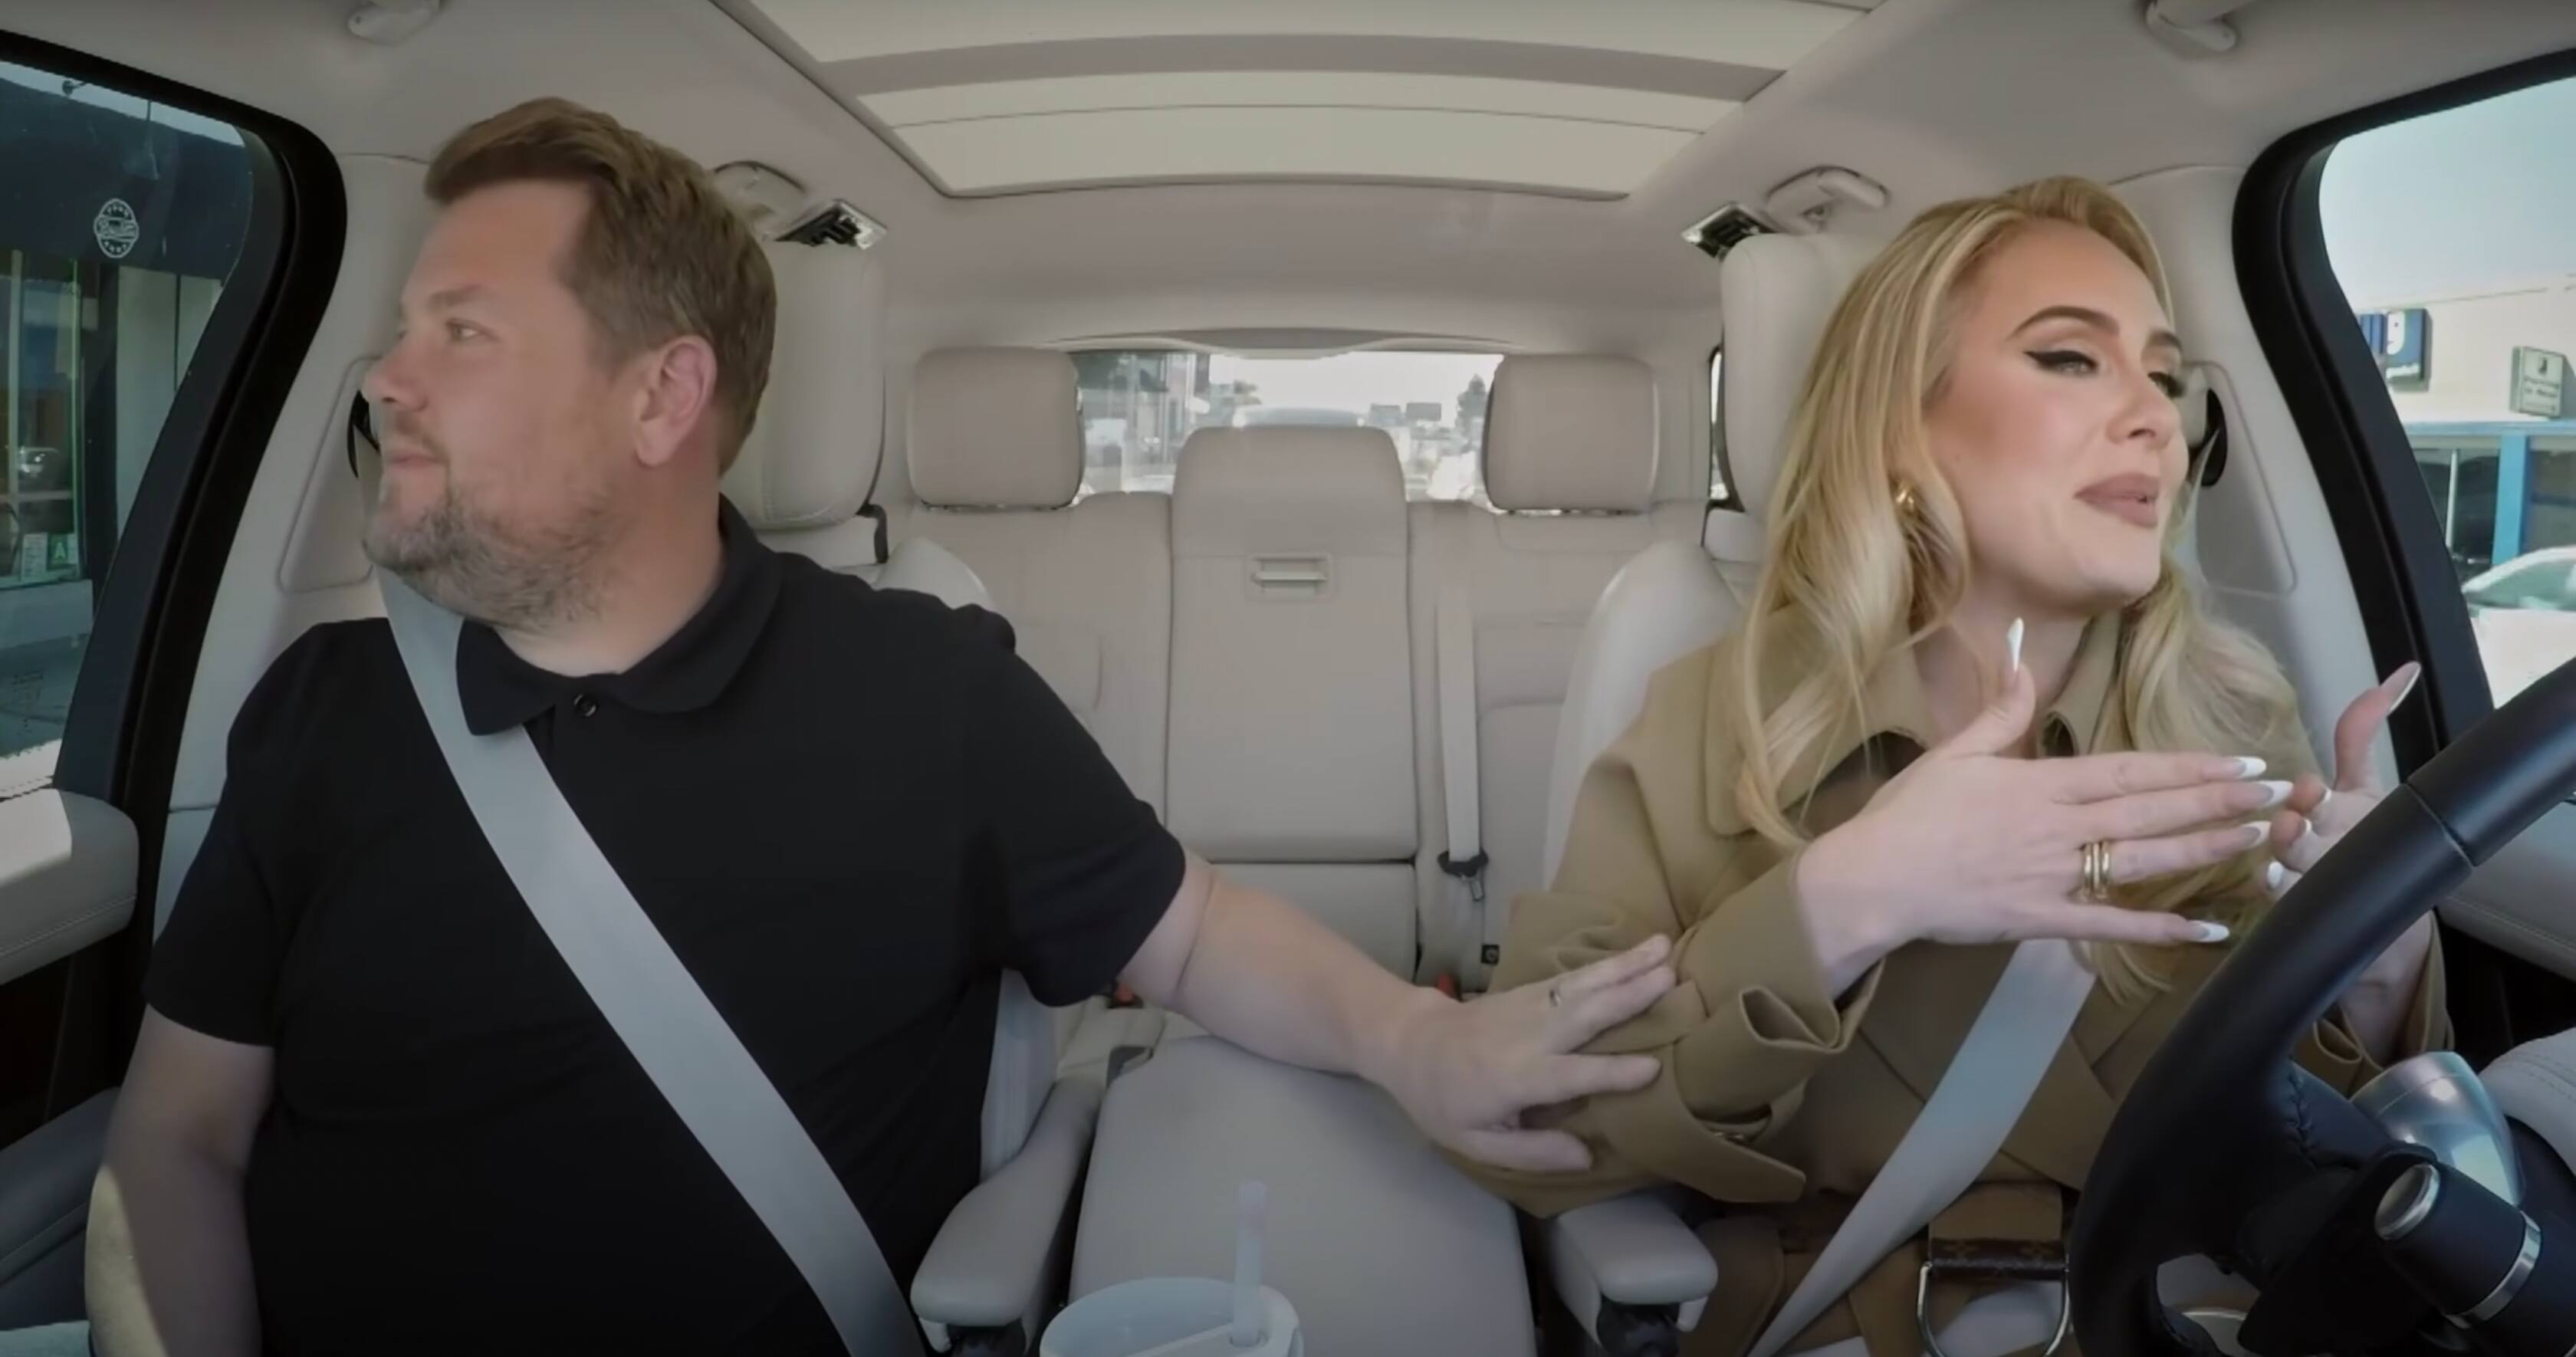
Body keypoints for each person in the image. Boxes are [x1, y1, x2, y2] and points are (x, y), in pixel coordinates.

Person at [13, 98, 1679, 1357]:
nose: (388, 380)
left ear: (663, 398)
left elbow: (1192, 933)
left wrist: (1412, 1042)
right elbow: (176, 1145)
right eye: (400, 332)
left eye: (461, 332)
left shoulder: (927, 689)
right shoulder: (323, 707)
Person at [1454, 178, 2446, 1357]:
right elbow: (1541, 1128)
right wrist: (1846, 901)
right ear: (1902, 426)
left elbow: (2338, 1164)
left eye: (2165, 376)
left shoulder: (2237, 716)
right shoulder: (1717, 717)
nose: (2153, 416)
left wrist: (2381, 967)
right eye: (2070, 359)